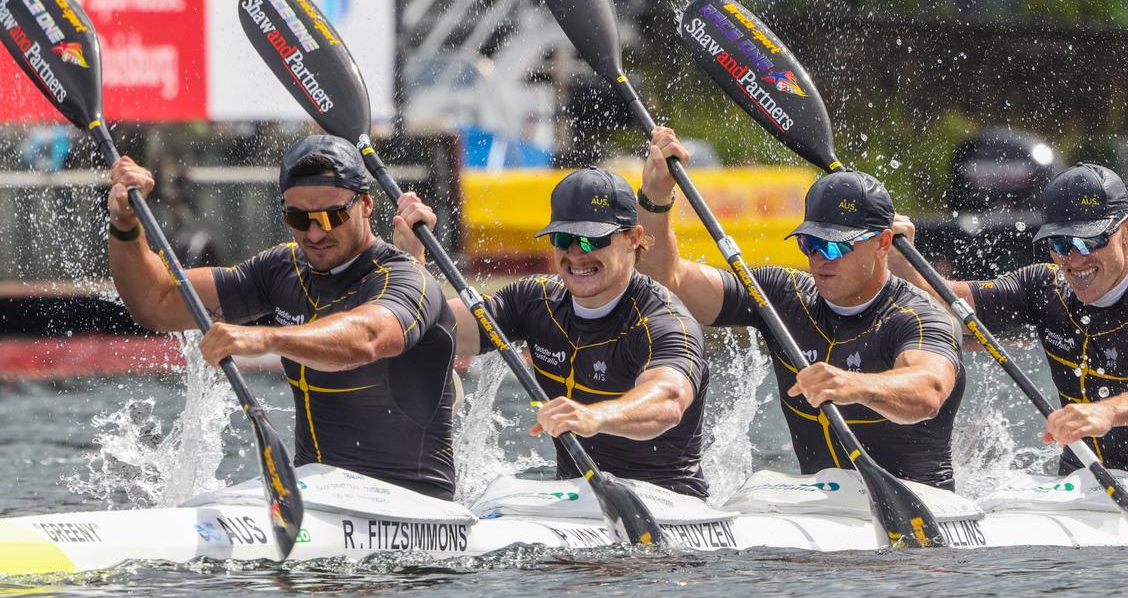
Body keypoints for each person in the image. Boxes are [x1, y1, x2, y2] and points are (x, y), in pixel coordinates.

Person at [107, 135, 459, 499]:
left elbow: (367, 337)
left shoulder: (406, 277)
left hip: (412, 502)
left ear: (366, 205)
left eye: (331, 216)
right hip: (318, 495)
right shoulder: (282, 269)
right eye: (298, 218)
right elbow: (157, 303)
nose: (315, 232)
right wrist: (125, 223)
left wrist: (264, 338)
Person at [634, 127, 964, 489]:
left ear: (883, 243)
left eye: (837, 247)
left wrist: (852, 385)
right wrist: (656, 195)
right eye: (810, 243)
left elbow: (927, 392)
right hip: (820, 506)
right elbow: (669, 280)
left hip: (919, 508)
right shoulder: (783, 296)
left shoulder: (919, 315)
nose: (820, 258)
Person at [891, 162, 1128, 492]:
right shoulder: (1044, 287)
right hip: (1079, 488)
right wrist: (898, 259)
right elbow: (945, 306)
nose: (1075, 260)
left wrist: (1108, 412)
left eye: (1091, 241)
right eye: (1061, 244)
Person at [393, 167, 711, 498]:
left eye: (592, 239)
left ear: (632, 238)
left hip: (666, 501)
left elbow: (668, 401)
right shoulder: (535, 300)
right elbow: (432, 327)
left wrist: (593, 415)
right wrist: (413, 262)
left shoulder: (664, 320)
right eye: (563, 238)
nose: (576, 253)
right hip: (577, 498)